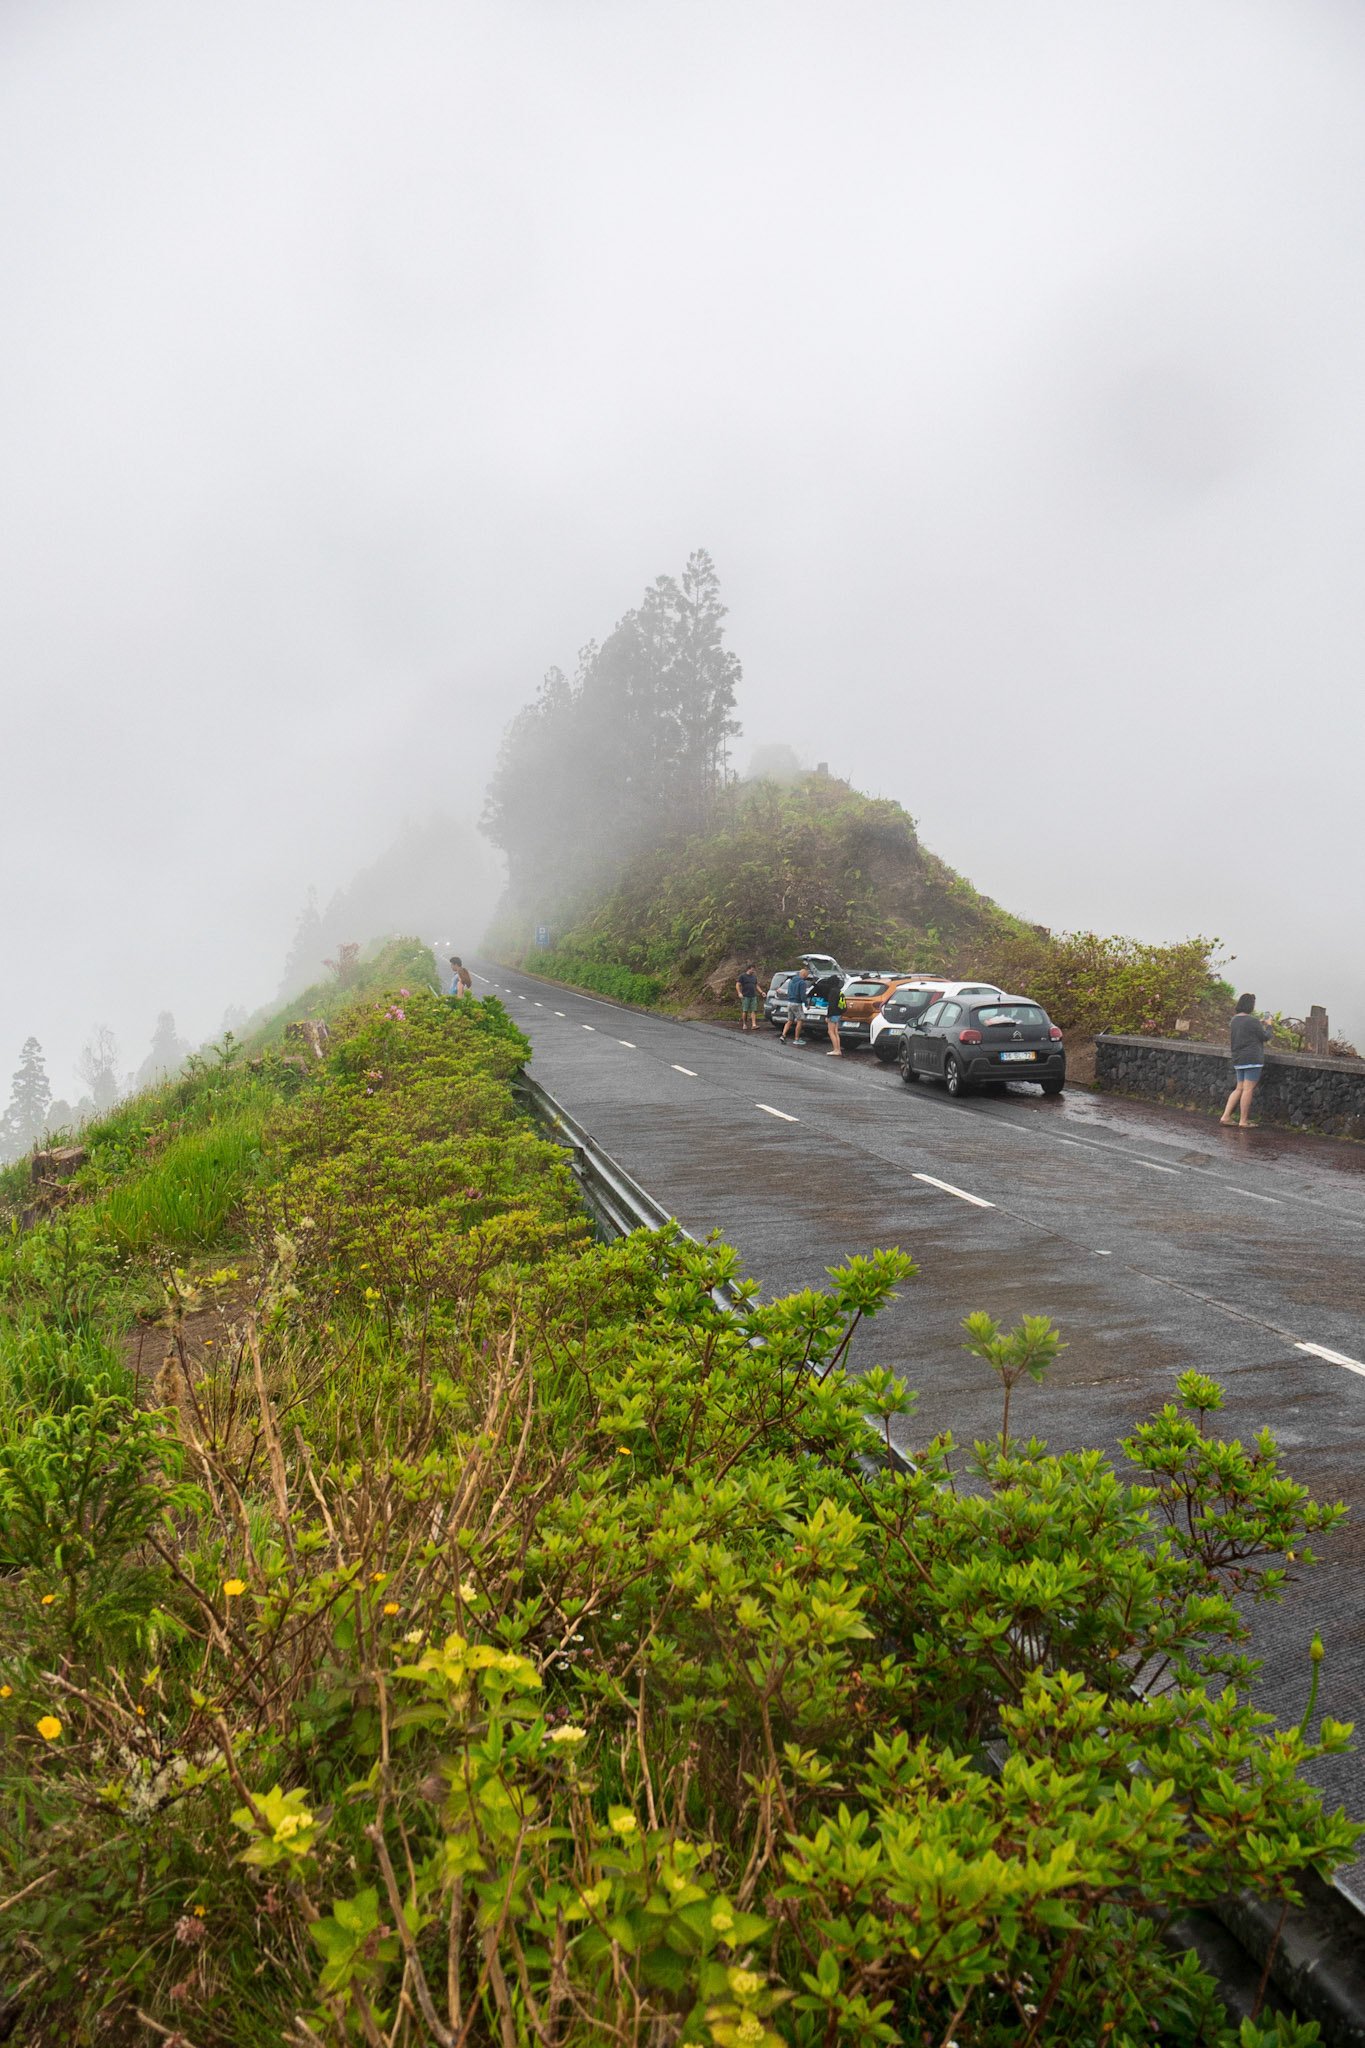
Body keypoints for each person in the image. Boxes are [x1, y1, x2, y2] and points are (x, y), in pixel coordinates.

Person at [1222, 992, 1272, 1127]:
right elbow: (1265, 1037)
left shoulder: (1234, 1020)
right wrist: (1269, 1025)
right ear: (1251, 1006)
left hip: (1238, 1058)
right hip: (1252, 1059)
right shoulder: (1252, 1021)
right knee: (1248, 1089)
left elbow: (1246, 1028)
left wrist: (1259, 1023)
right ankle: (1243, 1121)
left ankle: (1226, 1116)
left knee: (1239, 1088)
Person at [809, 968, 846, 1055]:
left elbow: (832, 1005)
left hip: (833, 1014)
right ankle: (838, 1049)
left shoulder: (832, 991)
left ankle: (836, 1050)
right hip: (838, 1013)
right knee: (836, 1032)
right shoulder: (839, 991)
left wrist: (828, 1016)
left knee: (831, 1031)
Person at [780, 968, 810, 1044]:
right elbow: (802, 995)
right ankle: (796, 1039)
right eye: (806, 975)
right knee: (800, 1020)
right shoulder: (802, 982)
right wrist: (806, 1004)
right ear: (804, 975)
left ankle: (783, 1035)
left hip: (789, 1002)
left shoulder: (791, 981)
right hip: (796, 1003)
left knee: (790, 1020)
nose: (807, 977)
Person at [735, 964, 761, 1031]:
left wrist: (762, 992)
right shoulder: (743, 976)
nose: (753, 971)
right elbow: (737, 985)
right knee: (745, 1010)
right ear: (749, 969)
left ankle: (754, 1025)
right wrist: (739, 993)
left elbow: (756, 985)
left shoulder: (754, 977)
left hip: (753, 995)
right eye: (752, 969)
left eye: (754, 970)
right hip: (745, 996)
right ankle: (744, 1024)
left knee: (753, 1010)